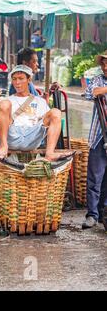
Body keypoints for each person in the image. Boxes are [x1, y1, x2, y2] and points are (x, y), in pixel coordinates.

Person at [0, 64, 73, 161]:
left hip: (32, 136)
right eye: (14, 79)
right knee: (4, 103)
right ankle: (3, 147)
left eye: (21, 78)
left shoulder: (39, 101)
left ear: (29, 79)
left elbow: (46, 121)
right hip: (12, 135)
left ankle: (50, 153)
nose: (17, 82)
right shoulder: (7, 100)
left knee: (56, 112)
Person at [81, 50, 107, 229]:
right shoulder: (98, 79)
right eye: (103, 63)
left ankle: (104, 213)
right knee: (95, 177)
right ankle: (92, 214)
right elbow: (92, 92)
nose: (105, 67)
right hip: (99, 136)